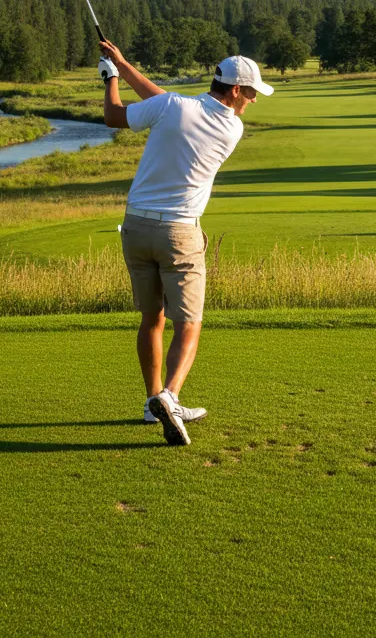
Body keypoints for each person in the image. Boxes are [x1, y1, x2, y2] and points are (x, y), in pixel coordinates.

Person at [97, 39, 274, 446]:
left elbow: (115, 115)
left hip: (136, 228)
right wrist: (122, 65)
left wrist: (112, 76)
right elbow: (167, 102)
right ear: (234, 90)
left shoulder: (173, 108)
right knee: (189, 322)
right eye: (250, 92)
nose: (252, 100)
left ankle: (152, 401)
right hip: (179, 234)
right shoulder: (231, 126)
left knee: (151, 318)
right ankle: (170, 398)